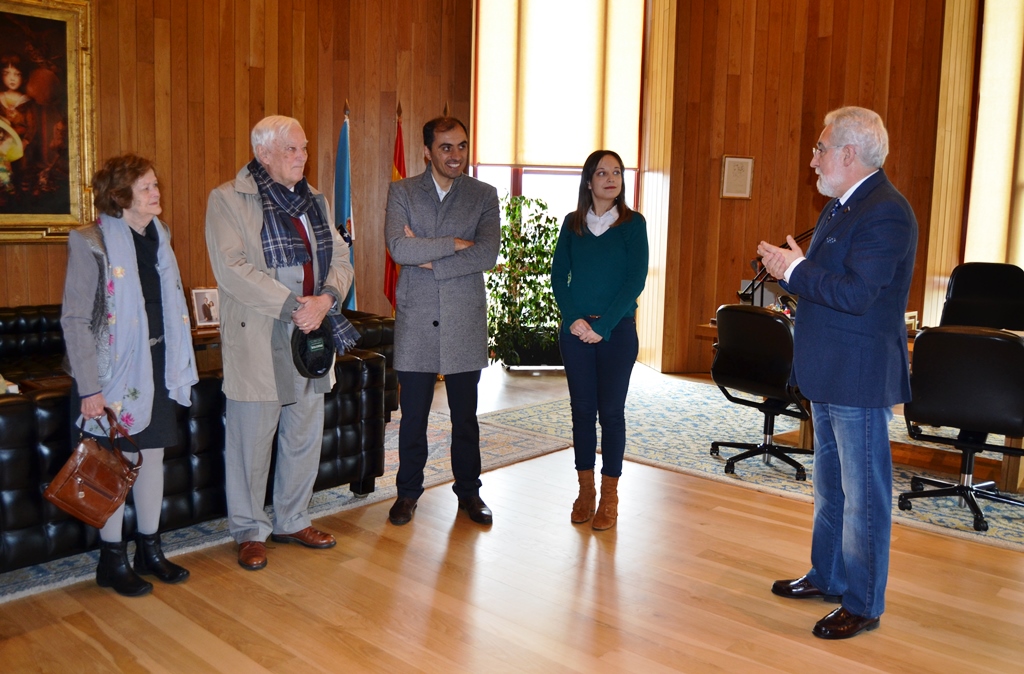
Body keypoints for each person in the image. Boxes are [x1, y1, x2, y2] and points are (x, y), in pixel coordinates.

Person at [757, 106, 918, 639]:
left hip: (859, 376)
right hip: (829, 371)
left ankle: (863, 602)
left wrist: (797, 269)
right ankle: (827, 576)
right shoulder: (844, 205)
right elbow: (833, 279)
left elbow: (855, 295)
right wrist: (798, 268)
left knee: (864, 497)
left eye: (820, 148)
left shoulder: (886, 212)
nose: (813, 158)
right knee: (831, 489)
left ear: (849, 154)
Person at [205, 115, 358, 571]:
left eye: (305, 148)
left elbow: (343, 256)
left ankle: (292, 518)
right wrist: (296, 305)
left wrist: (326, 298)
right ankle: (250, 530)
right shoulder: (228, 199)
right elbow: (231, 269)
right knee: (253, 439)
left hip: (314, 330)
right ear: (264, 153)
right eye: (292, 149)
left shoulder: (316, 200)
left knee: (303, 433)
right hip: (263, 331)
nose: (303, 157)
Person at [61, 154, 199, 597]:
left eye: (155, 185)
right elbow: (75, 320)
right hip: (110, 376)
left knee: (152, 457)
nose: (156, 193)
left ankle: (150, 550)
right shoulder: (91, 241)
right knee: (112, 466)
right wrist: (90, 388)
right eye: (146, 188)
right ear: (121, 197)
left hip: (155, 366)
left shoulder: (160, 237)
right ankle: (112, 560)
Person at [384, 116, 500, 526]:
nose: (455, 155)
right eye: (446, 147)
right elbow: (398, 248)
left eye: (462, 146)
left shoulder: (484, 195)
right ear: (427, 151)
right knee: (412, 417)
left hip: (463, 321)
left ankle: (469, 492)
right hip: (416, 322)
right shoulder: (402, 191)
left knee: (465, 418)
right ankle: (407, 494)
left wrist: (427, 256)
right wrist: (452, 245)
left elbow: (486, 254)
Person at [551, 150, 648, 531]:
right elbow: (560, 277)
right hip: (575, 333)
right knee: (581, 411)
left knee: (610, 413)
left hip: (617, 332)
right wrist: (574, 319)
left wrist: (603, 326)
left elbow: (634, 280)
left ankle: (610, 497)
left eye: (617, 172)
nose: (611, 178)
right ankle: (585, 491)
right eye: (602, 172)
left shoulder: (632, 224)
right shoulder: (572, 224)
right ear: (588, 181)